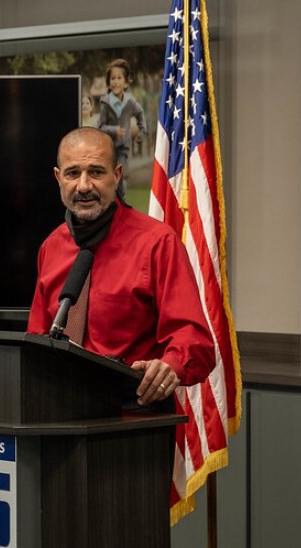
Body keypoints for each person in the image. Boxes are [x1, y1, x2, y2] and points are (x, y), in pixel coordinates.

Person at [27, 127, 214, 406]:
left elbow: (195, 341)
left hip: (131, 419)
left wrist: (169, 366)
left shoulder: (157, 243)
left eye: (96, 172)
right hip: (58, 412)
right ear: (58, 178)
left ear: (116, 175)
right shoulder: (51, 247)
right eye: (73, 173)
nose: (84, 186)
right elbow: (36, 341)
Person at [97, 58, 148, 190]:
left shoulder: (130, 102)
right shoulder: (105, 103)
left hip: (124, 147)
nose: (116, 81)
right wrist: (114, 130)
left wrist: (142, 131)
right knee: (109, 178)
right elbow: (100, 127)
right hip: (108, 148)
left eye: (119, 78)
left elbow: (140, 114)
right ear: (109, 83)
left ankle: (121, 203)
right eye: (113, 78)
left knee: (121, 176)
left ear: (126, 83)